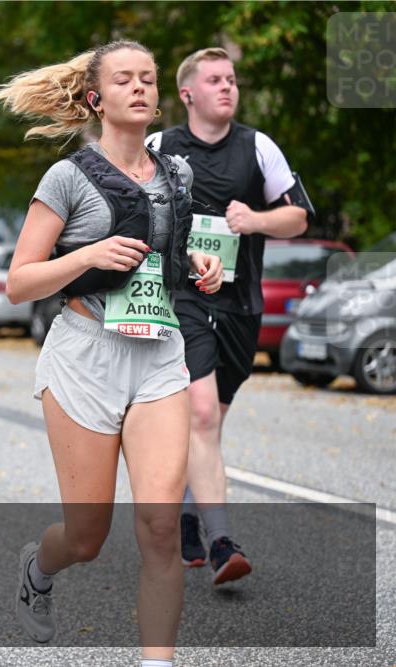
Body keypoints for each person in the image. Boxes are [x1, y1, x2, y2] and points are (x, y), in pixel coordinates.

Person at [0, 41, 224, 666]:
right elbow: (19, 282)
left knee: (158, 530)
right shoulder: (67, 177)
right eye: (124, 80)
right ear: (97, 98)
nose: (141, 88)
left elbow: (172, 249)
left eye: (148, 79)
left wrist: (198, 262)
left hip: (157, 355)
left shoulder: (177, 173)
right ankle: (39, 568)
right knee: (87, 538)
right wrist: (87, 256)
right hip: (84, 354)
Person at [146, 48, 312, 585]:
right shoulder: (161, 147)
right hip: (184, 299)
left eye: (232, 79)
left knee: (209, 422)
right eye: (214, 80)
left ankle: (190, 519)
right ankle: (221, 542)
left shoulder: (257, 146)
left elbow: (299, 219)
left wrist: (256, 218)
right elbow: (132, 204)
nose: (227, 87)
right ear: (188, 93)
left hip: (241, 304)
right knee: (200, 415)